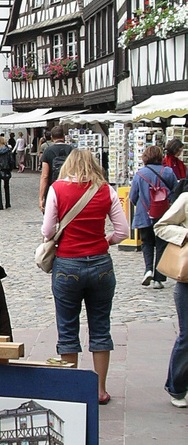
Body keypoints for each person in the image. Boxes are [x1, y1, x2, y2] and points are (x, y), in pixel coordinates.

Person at [41, 149, 128, 404]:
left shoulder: (57, 189)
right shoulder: (105, 190)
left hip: (68, 264)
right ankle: (100, 390)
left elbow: (48, 230)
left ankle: (71, 390)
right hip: (101, 264)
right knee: (101, 328)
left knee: (67, 329)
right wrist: (104, 241)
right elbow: (122, 231)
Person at [154, 189, 188, 407]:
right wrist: (184, 235)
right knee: (187, 335)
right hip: (187, 281)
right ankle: (176, 387)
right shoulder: (186, 200)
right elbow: (161, 226)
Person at [129, 145, 178, 289]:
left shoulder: (140, 174)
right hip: (164, 215)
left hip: (144, 214)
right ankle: (158, 278)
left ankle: (148, 269)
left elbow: (133, 196)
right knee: (162, 245)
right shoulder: (168, 172)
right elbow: (176, 192)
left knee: (147, 243)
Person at [38, 126, 73, 210]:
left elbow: (45, 176)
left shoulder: (48, 151)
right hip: (69, 187)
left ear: (52, 137)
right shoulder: (71, 149)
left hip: (52, 188)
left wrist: (41, 197)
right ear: (63, 136)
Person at [0, 135, 13, 210]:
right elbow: (11, 161)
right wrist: (10, 168)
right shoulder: (8, 150)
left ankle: (0, 205)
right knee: (6, 186)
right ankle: (7, 203)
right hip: (6, 169)